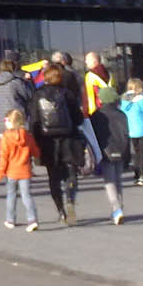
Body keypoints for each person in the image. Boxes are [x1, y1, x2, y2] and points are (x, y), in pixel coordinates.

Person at [28, 62, 85, 225]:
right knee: (71, 174)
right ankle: (70, 199)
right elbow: (78, 118)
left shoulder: (38, 95)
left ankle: (61, 211)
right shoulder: (67, 94)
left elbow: (34, 121)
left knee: (53, 178)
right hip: (69, 139)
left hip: (48, 143)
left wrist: (35, 143)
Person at [0, 108, 40, 231]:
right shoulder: (28, 136)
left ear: (11, 122)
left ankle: (10, 220)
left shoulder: (5, 137)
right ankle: (32, 220)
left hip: (11, 172)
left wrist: (0, 173)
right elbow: (36, 152)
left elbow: (4, 157)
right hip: (25, 171)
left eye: (6, 120)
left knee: (11, 195)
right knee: (27, 196)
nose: (5, 122)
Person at [90, 85, 128, 223]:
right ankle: (119, 207)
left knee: (109, 181)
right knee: (118, 180)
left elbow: (94, 135)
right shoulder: (121, 114)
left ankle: (116, 208)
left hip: (105, 151)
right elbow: (126, 133)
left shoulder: (97, 115)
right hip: (121, 149)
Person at [119, 78, 143, 185]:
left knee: (136, 153)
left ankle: (136, 175)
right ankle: (142, 176)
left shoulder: (123, 99)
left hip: (130, 129)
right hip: (142, 129)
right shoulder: (142, 99)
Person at [0, 52, 33, 135]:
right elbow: (29, 95)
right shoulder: (16, 81)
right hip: (16, 121)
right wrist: (29, 81)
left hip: (2, 122)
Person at [83, 51, 113, 116]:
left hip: (97, 112)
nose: (86, 62)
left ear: (95, 61)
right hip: (111, 109)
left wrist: (86, 114)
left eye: (88, 60)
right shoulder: (109, 74)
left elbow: (89, 97)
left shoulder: (90, 76)